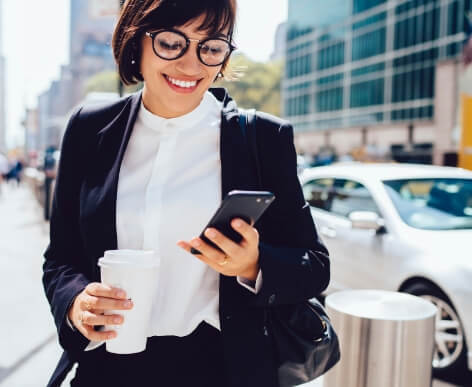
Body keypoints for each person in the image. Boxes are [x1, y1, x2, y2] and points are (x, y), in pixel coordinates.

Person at [42, 1, 330, 386]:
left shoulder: (263, 139)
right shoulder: (88, 131)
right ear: (135, 39)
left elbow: (315, 266)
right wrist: (78, 303)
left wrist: (252, 265)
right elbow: (60, 259)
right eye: (171, 42)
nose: (191, 66)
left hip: (221, 369)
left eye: (209, 47)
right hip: (106, 366)